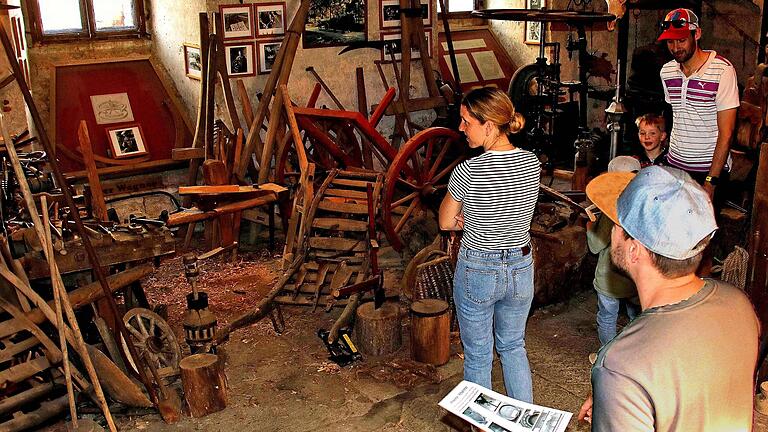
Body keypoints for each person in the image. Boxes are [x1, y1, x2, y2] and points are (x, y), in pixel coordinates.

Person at [577, 165, 759, 431]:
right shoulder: (738, 303)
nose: (612, 230)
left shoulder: (621, 364)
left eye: (616, 223)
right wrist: (625, 403)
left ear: (634, 250)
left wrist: (621, 387)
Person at [439, 87, 540, 403]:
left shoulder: (468, 171)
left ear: (490, 125)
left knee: (479, 354)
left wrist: (465, 218)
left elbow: (445, 221)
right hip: (520, 268)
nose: (461, 128)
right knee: (513, 346)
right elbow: (511, 210)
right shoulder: (533, 164)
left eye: (466, 121)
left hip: (479, 268)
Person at [658, 8, 739, 199]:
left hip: (708, 171)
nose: (676, 47)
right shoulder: (667, 72)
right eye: (670, 41)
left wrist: (712, 181)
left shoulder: (722, 71)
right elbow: (677, 116)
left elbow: (726, 134)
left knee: (705, 229)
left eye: (682, 40)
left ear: (697, 34)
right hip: (674, 166)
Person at [587, 156, 640, 348]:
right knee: (637, 318)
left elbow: (595, 246)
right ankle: (635, 354)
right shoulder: (640, 208)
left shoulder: (610, 211)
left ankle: (608, 358)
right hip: (634, 277)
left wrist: (590, 227)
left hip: (609, 280)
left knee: (608, 317)